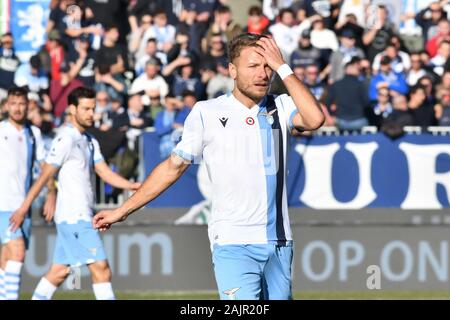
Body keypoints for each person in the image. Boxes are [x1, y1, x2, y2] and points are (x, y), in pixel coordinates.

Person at [93, 33, 324, 300]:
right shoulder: (207, 112)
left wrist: (283, 67)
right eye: (253, 66)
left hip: (280, 242)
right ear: (232, 70)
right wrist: (122, 210)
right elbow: (173, 167)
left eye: (267, 66)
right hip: (233, 243)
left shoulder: (281, 106)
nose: (262, 74)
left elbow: (316, 118)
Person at [10, 87, 140, 300]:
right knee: (101, 268)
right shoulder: (66, 139)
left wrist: (130, 185)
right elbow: (45, 175)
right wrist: (24, 208)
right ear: (72, 109)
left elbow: (104, 171)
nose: (92, 114)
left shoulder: (89, 140)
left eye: (93, 109)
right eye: (86, 109)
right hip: (73, 217)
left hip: (79, 215)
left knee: (59, 272)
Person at [0, 87, 49, 300]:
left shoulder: (33, 134)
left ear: (28, 106)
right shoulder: (1, 131)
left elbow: (47, 167)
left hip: (25, 205)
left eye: (21, 104)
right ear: (6, 106)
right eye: (13, 103)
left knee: (7, 258)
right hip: (4, 204)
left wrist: (52, 194)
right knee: (17, 252)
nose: (17, 108)